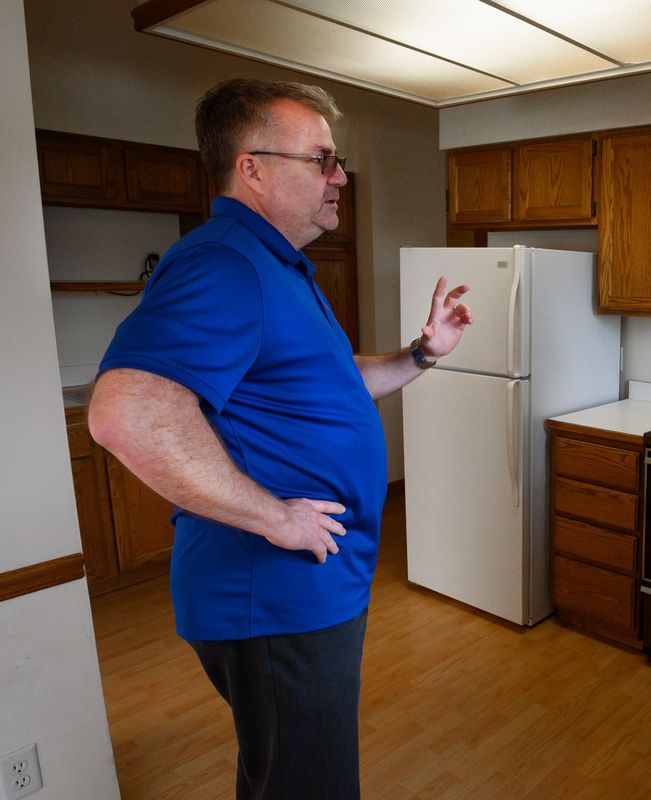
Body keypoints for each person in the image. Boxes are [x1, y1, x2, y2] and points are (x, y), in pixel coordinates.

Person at [87, 78, 473, 800]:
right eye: (321, 159)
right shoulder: (224, 263)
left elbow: (330, 383)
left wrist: (420, 354)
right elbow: (125, 412)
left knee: (283, 777)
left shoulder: (282, 268)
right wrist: (277, 518)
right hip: (271, 595)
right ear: (251, 167)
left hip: (308, 589)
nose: (341, 177)